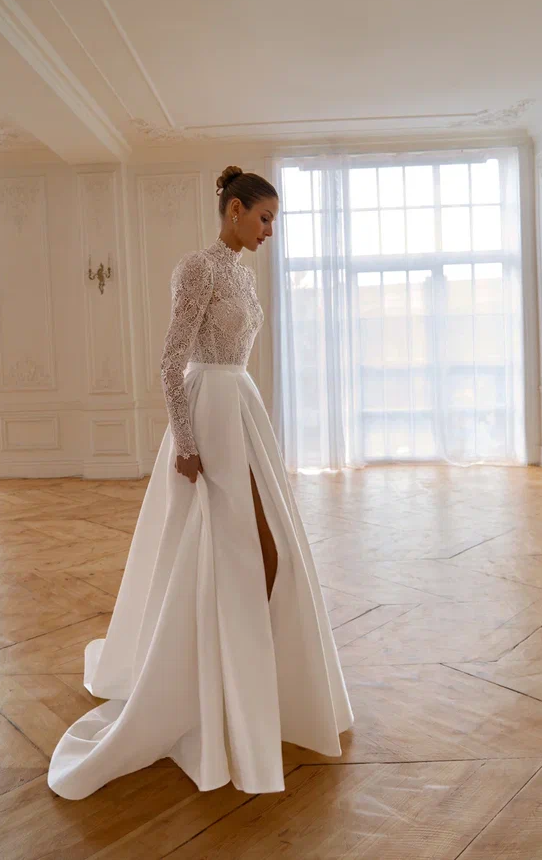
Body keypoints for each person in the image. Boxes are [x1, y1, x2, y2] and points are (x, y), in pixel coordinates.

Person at [47, 167, 353, 800]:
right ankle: (207, 681)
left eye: (274, 221)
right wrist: (186, 444)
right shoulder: (197, 269)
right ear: (234, 209)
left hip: (240, 408)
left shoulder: (243, 275)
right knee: (220, 550)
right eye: (264, 218)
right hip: (208, 414)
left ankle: (253, 679)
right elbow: (169, 360)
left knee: (269, 549)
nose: (270, 231)